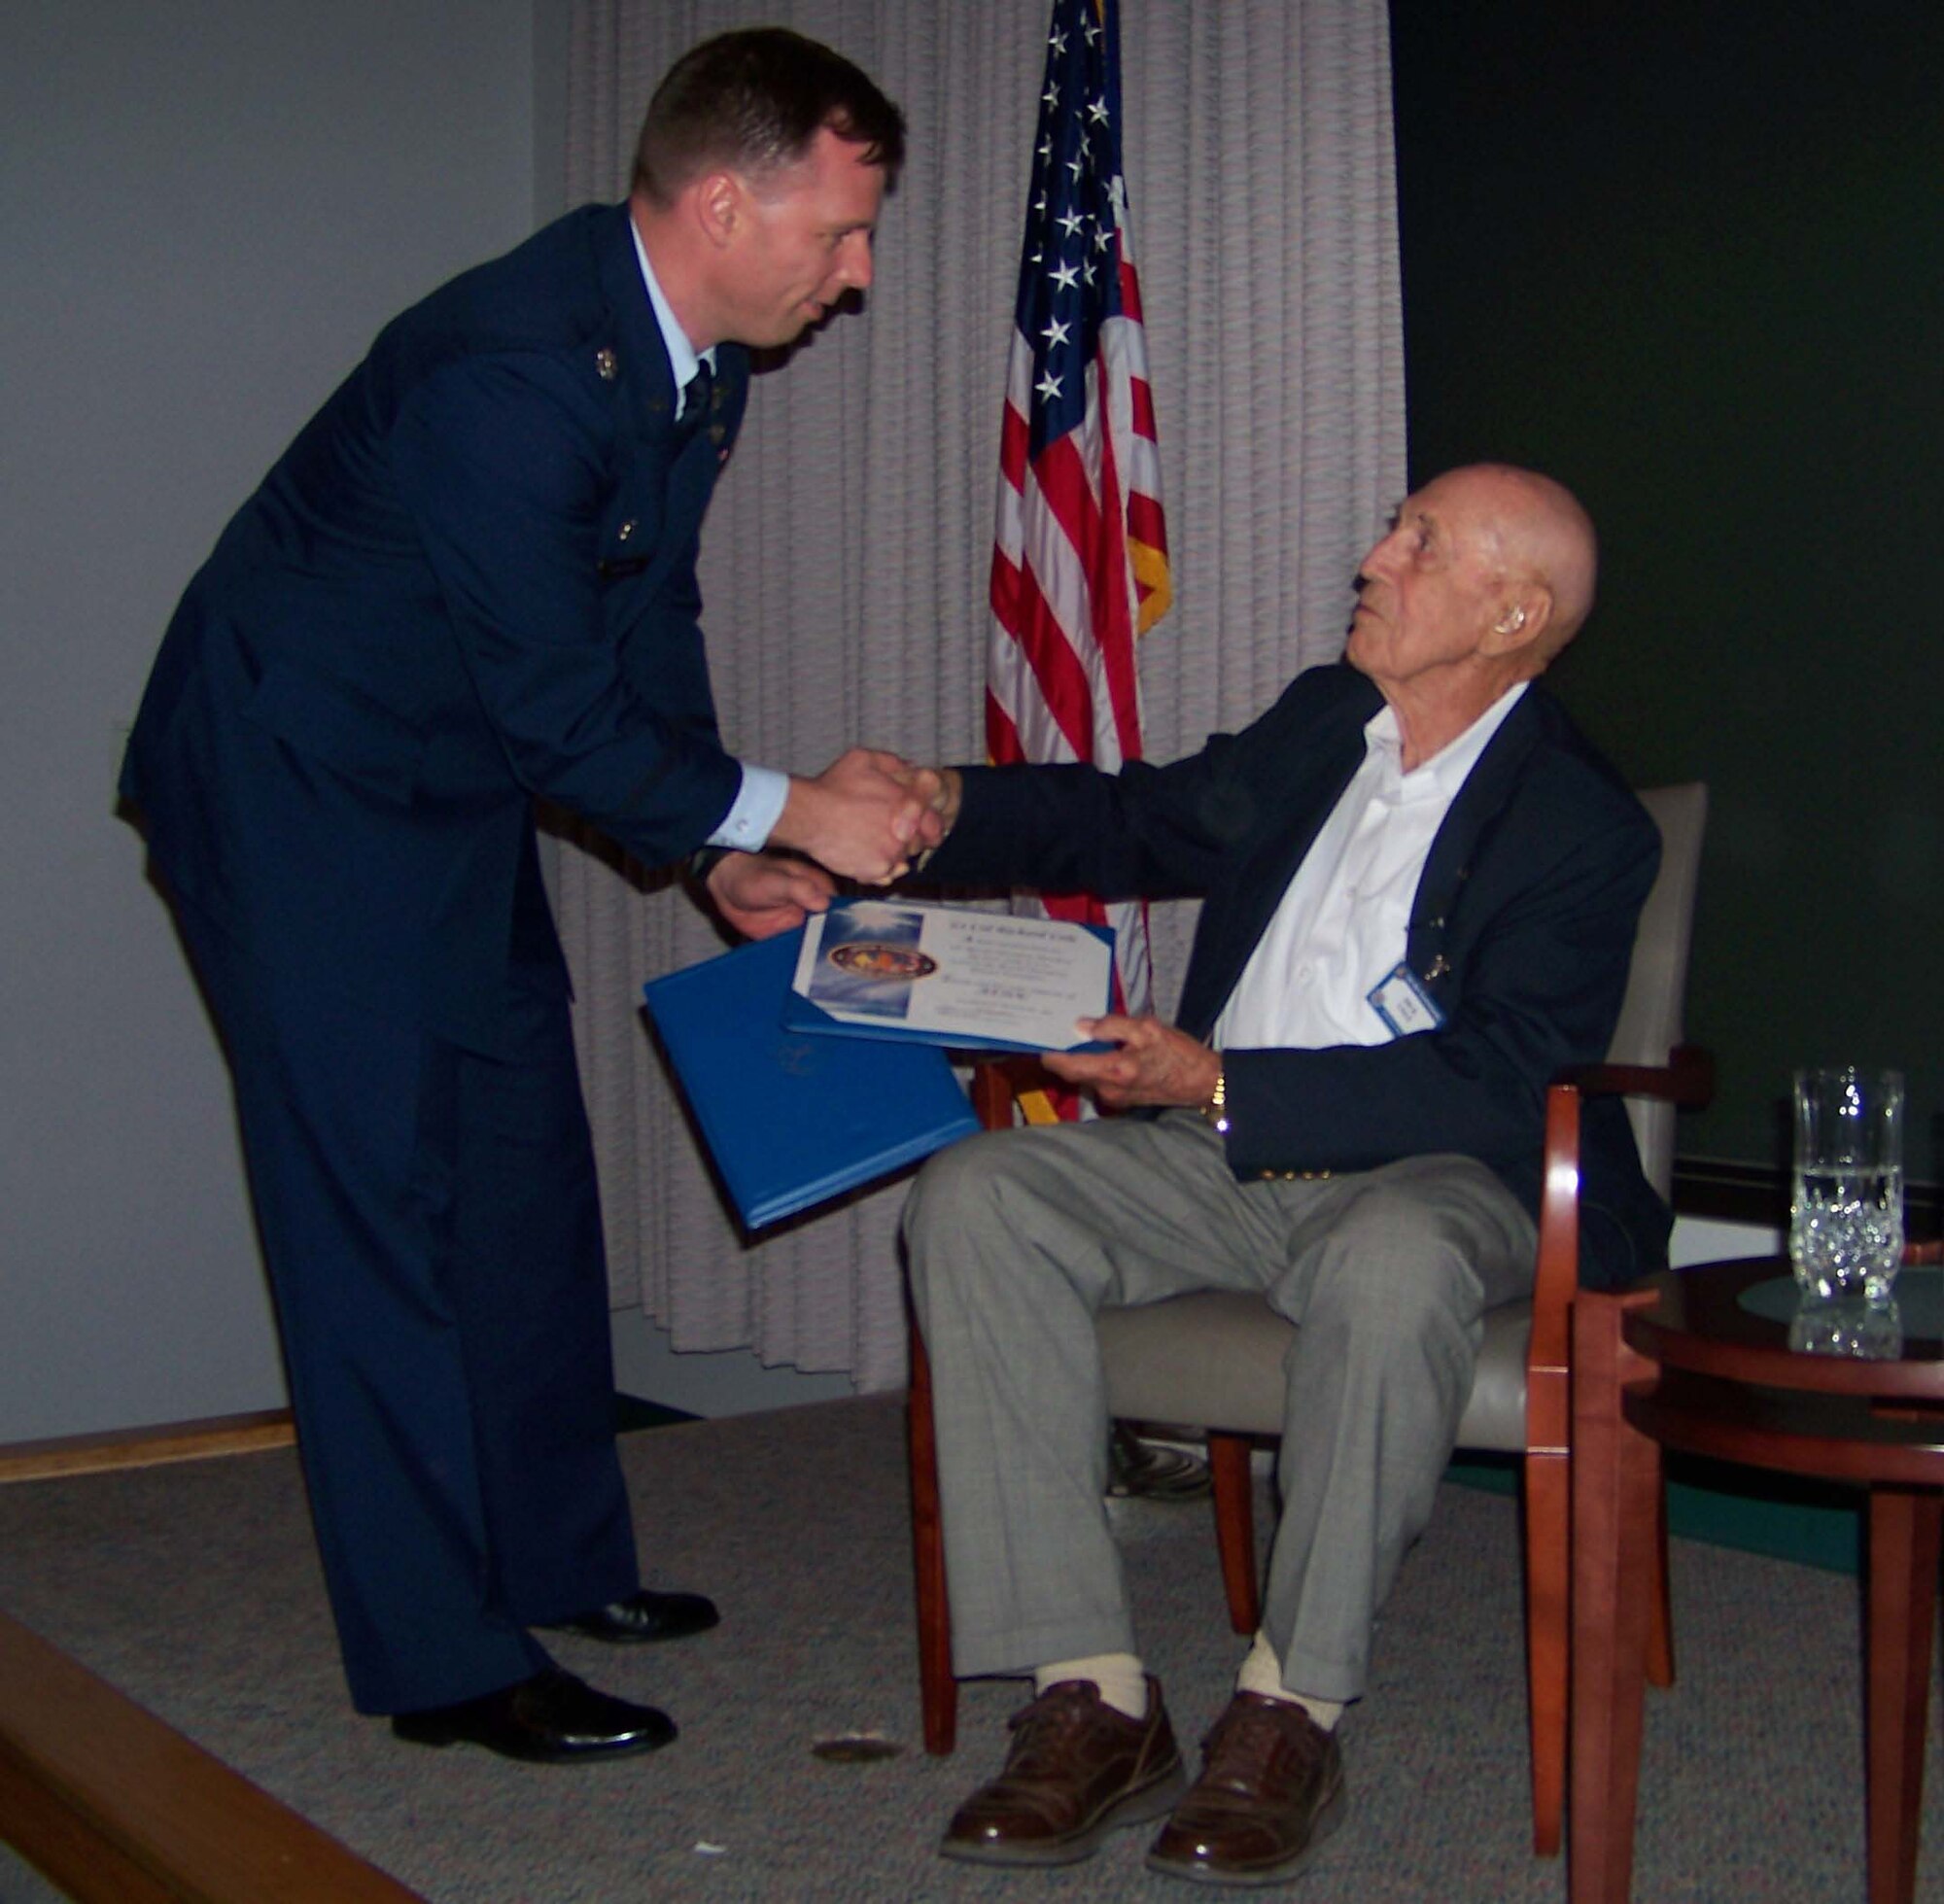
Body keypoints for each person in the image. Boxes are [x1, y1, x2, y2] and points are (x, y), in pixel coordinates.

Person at [119, 28, 933, 1764]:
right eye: (840, 235)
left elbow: (641, 626)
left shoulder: (689, 353)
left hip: (443, 773)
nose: (855, 277)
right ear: (723, 200)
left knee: (516, 1166)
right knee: (374, 1213)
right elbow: (556, 705)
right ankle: (442, 1661)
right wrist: (806, 809)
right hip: (292, 784)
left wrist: (717, 843)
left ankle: (560, 1555)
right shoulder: (510, 366)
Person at [901, 465, 1670, 1883]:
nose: (1374, 555)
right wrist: (937, 804)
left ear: (1514, 612)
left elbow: (1504, 1074)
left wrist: (1217, 1079)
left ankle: (1291, 1707)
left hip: (1437, 1174)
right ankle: (1091, 1694)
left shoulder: (1581, 823)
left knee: (1392, 1260)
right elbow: (1140, 818)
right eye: (1392, 526)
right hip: (1219, 1158)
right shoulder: (1328, 722)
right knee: (977, 1197)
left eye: (1419, 544)